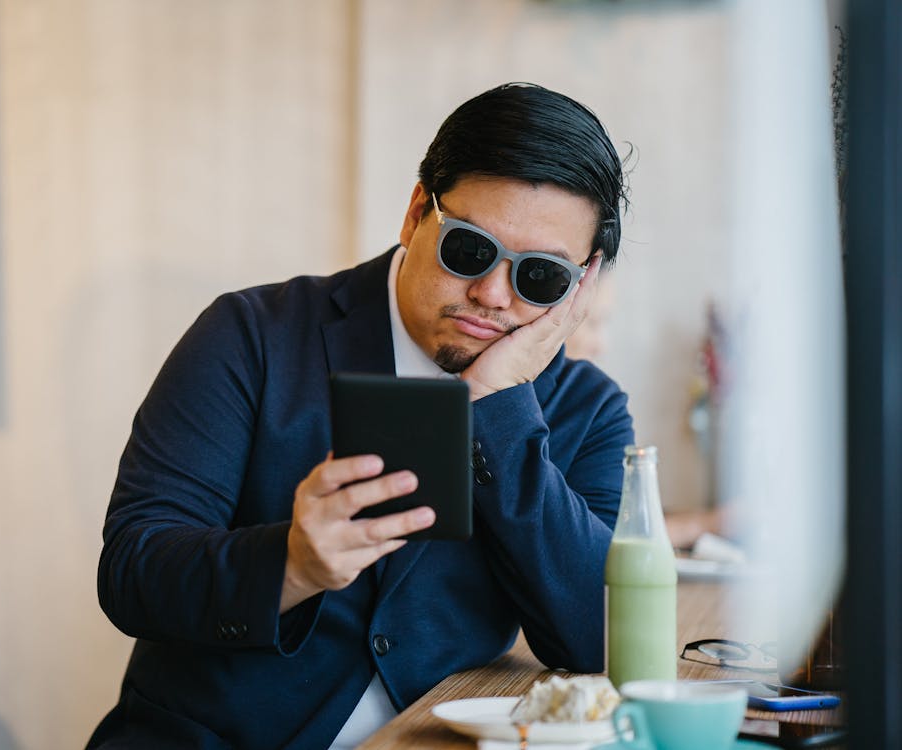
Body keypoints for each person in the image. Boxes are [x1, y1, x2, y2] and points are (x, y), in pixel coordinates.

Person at [87, 82, 634, 750]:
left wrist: (497, 406)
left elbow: (598, 637)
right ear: (414, 214)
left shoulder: (588, 409)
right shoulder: (252, 335)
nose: (491, 294)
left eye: (539, 278)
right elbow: (132, 575)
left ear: (580, 286)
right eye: (468, 250)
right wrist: (290, 564)